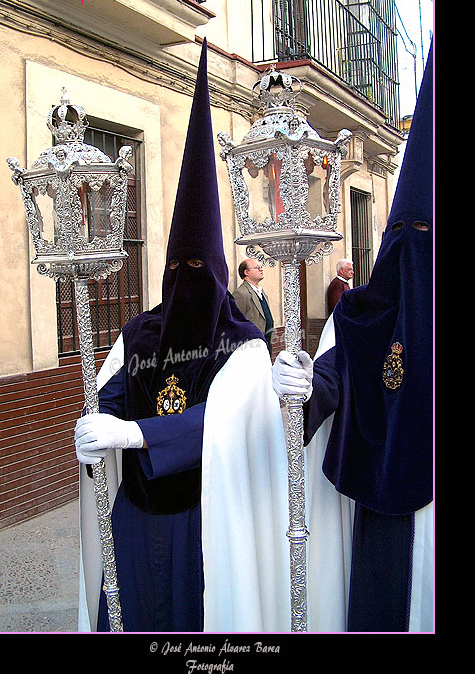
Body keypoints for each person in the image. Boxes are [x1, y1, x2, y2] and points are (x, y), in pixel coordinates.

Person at [74, 40, 311, 633]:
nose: (186, 281)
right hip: (135, 514)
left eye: (198, 269)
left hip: (205, 520)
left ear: (221, 271)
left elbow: (225, 420)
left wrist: (137, 433)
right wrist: (93, 433)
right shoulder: (140, 331)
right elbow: (107, 399)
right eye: (176, 268)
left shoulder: (242, 341)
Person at [273, 44, 433, 632]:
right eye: (403, 232)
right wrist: (299, 384)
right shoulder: (364, 315)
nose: (412, 246)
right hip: (378, 511)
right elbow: (336, 374)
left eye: (427, 234)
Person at [232, 259, 274, 349]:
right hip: (251, 346)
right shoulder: (241, 293)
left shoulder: (262, 293)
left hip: (266, 344)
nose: (261, 269)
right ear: (247, 272)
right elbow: (235, 322)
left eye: (260, 267)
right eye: (257, 268)